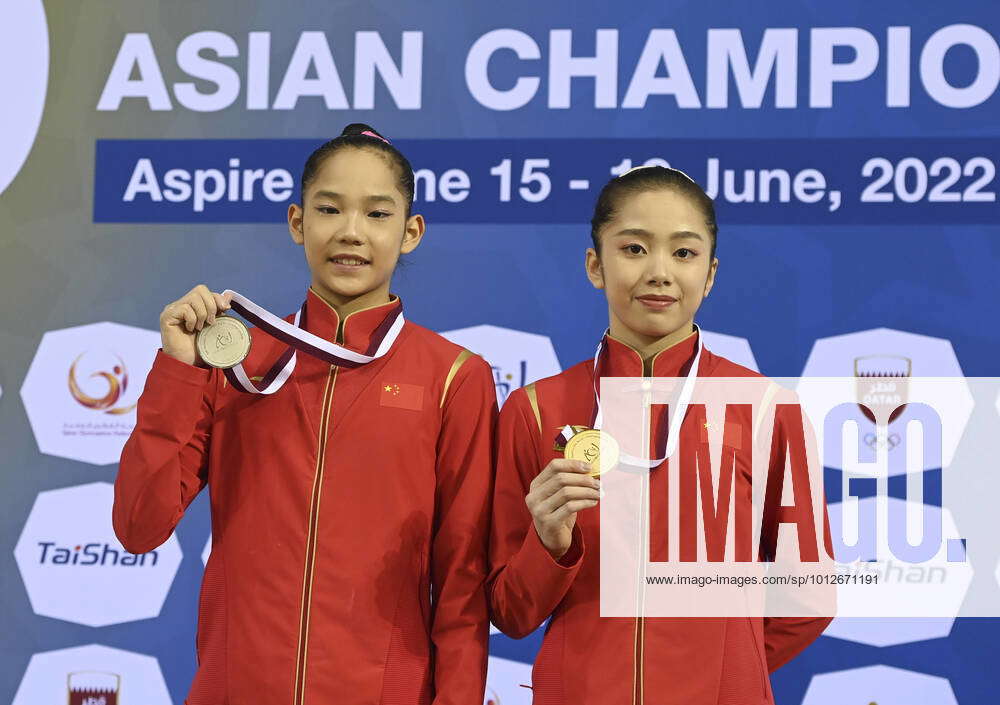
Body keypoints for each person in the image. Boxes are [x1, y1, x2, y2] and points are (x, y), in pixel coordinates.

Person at [114, 124, 496, 704]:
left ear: (410, 232)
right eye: (329, 209)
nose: (350, 231)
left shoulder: (454, 377)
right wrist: (180, 370)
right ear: (297, 222)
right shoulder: (236, 362)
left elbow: (463, 579)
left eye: (376, 214)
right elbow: (139, 527)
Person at [487, 166, 833, 704]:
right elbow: (509, 611)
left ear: (711, 274)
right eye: (633, 248)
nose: (659, 272)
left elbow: (808, 594)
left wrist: (723, 669)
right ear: (595, 265)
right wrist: (549, 545)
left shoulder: (767, 409)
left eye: (684, 253)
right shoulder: (534, 410)